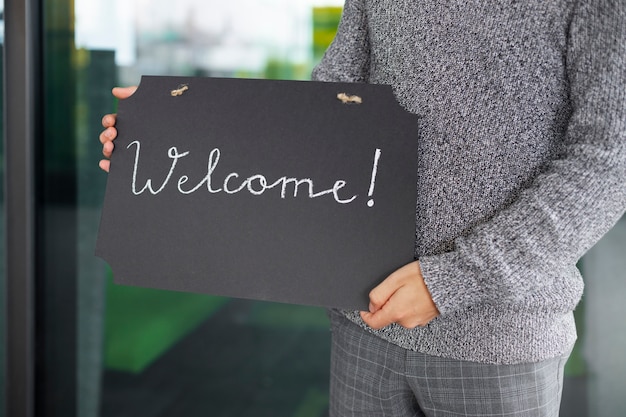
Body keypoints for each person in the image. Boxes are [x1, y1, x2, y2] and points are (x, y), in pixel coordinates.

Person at [100, 1, 626, 415]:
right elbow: (329, 107)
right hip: (364, 321)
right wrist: (169, 140)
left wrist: (452, 282)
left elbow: (608, 161)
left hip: (499, 338)